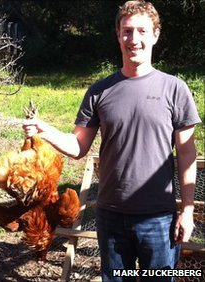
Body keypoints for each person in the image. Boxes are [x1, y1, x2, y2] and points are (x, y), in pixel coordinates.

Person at [23, 1, 201, 281]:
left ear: (155, 34)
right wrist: (43, 130)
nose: (134, 39)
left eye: (142, 31)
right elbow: (78, 146)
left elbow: (187, 153)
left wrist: (187, 210)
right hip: (112, 217)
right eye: (127, 31)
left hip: (159, 219)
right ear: (118, 35)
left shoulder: (174, 89)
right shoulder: (99, 91)